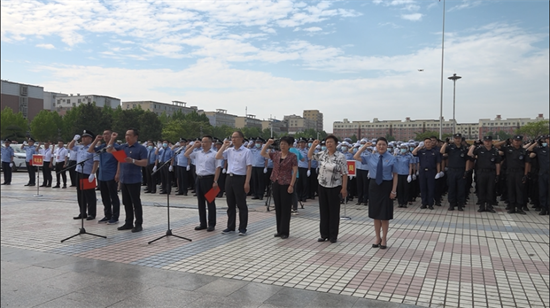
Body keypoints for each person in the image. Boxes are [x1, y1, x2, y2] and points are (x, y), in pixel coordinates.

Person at [354, 138, 398, 249]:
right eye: (379, 144)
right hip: (374, 186)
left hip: (386, 186)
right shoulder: (371, 157)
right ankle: (377, 237)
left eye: (383, 144)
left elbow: (395, 175)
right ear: (376, 146)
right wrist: (364, 146)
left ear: (387, 146)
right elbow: (356, 157)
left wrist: (393, 190)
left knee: (385, 215)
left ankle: (384, 239)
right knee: (376, 214)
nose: (381, 146)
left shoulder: (392, 158)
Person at [308, 135, 348, 244]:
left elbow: (344, 174)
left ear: (336, 144)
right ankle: (324, 234)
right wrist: (313, 146)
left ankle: (333, 235)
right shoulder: (322, 154)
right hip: (322, 185)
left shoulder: (340, 156)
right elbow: (310, 155)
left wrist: (344, 188)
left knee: (334, 212)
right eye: (327, 142)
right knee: (323, 210)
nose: (329, 144)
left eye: (331, 142)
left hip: (335, 186)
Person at [107, 129, 148, 232]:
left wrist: (133, 161)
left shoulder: (141, 148)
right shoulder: (123, 147)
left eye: (129, 135)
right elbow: (109, 150)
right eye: (126, 135)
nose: (127, 137)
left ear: (136, 137)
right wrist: (112, 138)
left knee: (136, 202)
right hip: (124, 179)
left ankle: (138, 223)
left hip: (134, 179)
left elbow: (145, 162)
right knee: (126, 202)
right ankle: (128, 222)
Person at [216, 131, 253, 236]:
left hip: (240, 178)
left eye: (235, 137)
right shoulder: (229, 150)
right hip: (229, 177)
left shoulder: (247, 151)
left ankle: (242, 228)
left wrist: (247, 182)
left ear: (242, 138)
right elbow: (218, 156)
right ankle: (230, 226)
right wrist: (224, 145)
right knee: (230, 204)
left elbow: (249, 167)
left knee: (241, 204)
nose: (233, 139)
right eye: (232, 137)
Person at [261, 137, 298, 239]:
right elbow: (263, 153)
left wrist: (291, 185)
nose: (282, 146)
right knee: (278, 207)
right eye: (281, 144)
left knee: (286, 208)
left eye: (285, 144)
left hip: (286, 183)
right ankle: (279, 230)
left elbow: (294, 171)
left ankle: (285, 231)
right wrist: (268, 143)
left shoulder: (292, 156)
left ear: (289, 145)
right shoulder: (276, 154)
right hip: (276, 182)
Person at [185, 136, 221, 232]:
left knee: (210, 202)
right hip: (199, 178)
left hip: (209, 179)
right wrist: (193, 146)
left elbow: (218, 168)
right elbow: (186, 154)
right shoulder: (198, 153)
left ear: (210, 143)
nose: (203, 144)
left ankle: (212, 224)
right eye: (202, 142)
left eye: (205, 142)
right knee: (200, 202)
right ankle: (203, 223)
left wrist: (215, 181)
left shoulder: (215, 154)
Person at [89, 130, 121, 224]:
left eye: (107, 134)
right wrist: (95, 140)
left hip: (111, 174)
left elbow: (120, 160)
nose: (105, 136)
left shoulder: (117, 147)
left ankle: (115, 216)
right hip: (102, 175)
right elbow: (90, 150)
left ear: (111, 135)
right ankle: (107, 215)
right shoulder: (102, 146)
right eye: (104, 134)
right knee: (104, 197)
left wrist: (118, 173)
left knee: (113, 196)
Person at [67, 131, 100, 220]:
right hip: (79, 172)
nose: (83, 139)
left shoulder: (93, 148)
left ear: (90, 139)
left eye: (86, 137)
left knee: (90, 195)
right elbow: (70, 147)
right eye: (82, 137)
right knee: (80, 194)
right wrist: (74, 140)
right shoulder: (80, 147)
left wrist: (93, 173)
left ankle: (91, 213)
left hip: (87, 173)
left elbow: (96, 162)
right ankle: (82, 212)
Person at [468, 136, 501, 213]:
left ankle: (489, 206)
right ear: (483, 142)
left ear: (491, 141)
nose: (487, 142)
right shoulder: (479, 150)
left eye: (489, 141)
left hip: (491, 172)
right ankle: (482, 205)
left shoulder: (495, 151)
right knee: (481, 189)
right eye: (486, 141)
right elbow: (470, 154)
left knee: (490, 189)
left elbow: (497, 163)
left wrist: (498, 174)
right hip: (481, 172)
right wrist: (474, 145)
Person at [498, 135, 530, 214]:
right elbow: (495, 146)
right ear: (512, 141)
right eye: (515, 140)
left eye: (518, 140)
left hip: (519, 172)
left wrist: (525, 174)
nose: (517, 142)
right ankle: (512, 207)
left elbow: (527, 163)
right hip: (510, 172)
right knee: (511, 189)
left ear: (521, 141)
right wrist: (505, 141)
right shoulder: (507, 149)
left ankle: (519, 207)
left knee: (519, 190)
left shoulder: (523, 151)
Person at [441, 133, 471, 211]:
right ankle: (452, 204)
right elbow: (442, 151)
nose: (458, 139)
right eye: (456, 138)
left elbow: (467, 160)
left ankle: (460, 204)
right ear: (453, 139)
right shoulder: (450, 147)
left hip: (461, 171)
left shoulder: (464, 148)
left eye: (459, 138)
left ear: (461, 139)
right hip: (451, 171)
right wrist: (446, 143)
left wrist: (466, 171)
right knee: (451, 188)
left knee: (461, 189)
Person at [412, 138, 441, 210]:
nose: (428, 143)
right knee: (423, 188)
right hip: (422, 171)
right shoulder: (421, 151)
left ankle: (430, 204)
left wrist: (438, 172)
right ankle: (424, 203)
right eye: (426, 142)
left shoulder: (435, 152)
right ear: (424, 144)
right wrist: (419, 146)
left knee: (431, 188)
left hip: (431, 171)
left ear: (431, 143)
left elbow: (438, 163)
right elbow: (413, 153)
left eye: (429, 142)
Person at [528, 135, 549, 215]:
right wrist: (536, 142)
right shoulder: (541, 149)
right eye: (548, 139)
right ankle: (543, 208)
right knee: (542, 191)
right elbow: (530, 149)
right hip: (543, 173)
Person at [395, 143, 413, 208]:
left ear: (406, 149)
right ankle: (400, 202)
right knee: (399, 189)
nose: (403, 149)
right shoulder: (397, 155)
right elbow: (393, 163)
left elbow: (410, 166)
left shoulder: (409, 156)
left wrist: (410, 175)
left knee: (406, 189)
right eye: (402, 148)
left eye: (404, 148)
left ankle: (405, 202)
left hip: (406, 174)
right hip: (398, 174)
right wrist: (394, 154)